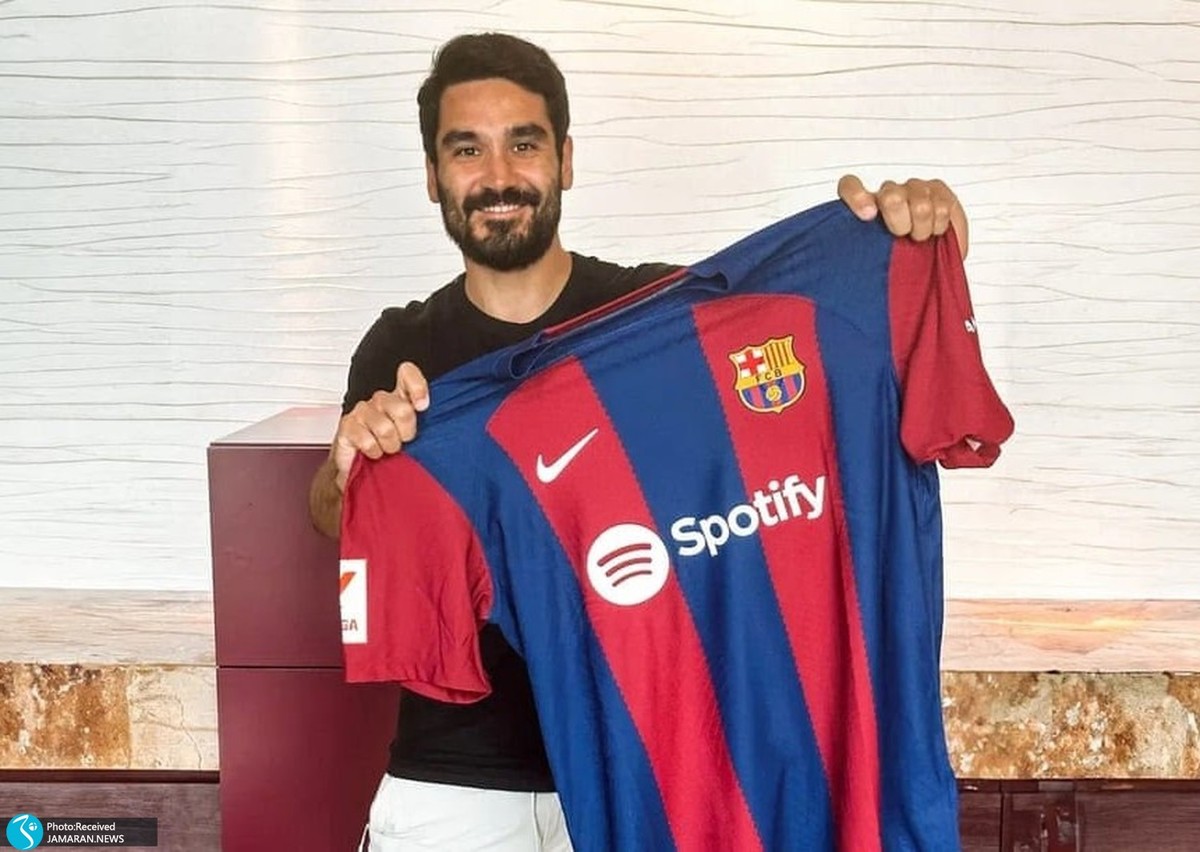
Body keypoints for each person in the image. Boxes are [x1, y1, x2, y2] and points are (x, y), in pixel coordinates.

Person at [308, 31, 970, 852]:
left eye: (524, 143)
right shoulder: (401, 347)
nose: (499, 175)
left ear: (565, 160)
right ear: (433, 175)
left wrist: (908, 245)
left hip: (650, 772)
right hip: (457, 782)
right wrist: (349, 465)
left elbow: (830, 376)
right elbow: (339, 517)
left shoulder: (661, 320)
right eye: (467, 150)